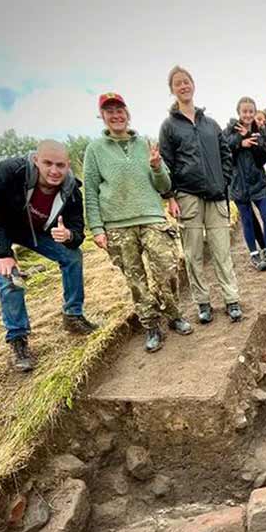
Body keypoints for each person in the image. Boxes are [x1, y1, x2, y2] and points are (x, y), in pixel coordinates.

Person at [0, 140, 97, 372]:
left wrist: (68, 235)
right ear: (36, 160)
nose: (54, 171)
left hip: (27, 228)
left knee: (72, 256)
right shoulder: (8, 171)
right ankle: (18, 340)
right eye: (48, 163)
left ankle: (73, 316)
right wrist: (3, 253)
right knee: (10, 279)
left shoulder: (71, 189)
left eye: (60, 165)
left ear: (68, 165)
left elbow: (78, 232)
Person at [84, 92, 192, 353]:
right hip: (117, 226)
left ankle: (174, 315)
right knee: (136, 280)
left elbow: (164, 185)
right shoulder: (94, 150)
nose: (116, 115)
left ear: (127, 113)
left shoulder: (145, 144)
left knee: (167, 271)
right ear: (103, 116)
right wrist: (97, 229)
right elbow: (90, 191)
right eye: (109, 111)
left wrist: (156, 166)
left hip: (152, 218)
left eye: (119, 109)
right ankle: (151, 325)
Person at [158, 65, 243, 323]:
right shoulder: (169, 127)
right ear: (172, 90)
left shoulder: (211, 124)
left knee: (221, 252)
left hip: (216, 196)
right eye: (178, 83)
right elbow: (166, 163)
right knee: (194, 255)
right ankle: (203, 303)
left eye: (186, 81)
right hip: (188, 197)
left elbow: (226, 155)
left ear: (193, 85)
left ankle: (232, 300)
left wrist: (224, 181)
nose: (183, 86)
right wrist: (171, 195)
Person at [224, 96, 266, 271]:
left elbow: (265, 155)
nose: (248, 115)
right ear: (239, 112)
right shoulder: (228, 130)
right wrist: (240, 143)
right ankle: (254, 255)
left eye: (251, 111)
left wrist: (250, 138)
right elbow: (224, 150)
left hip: (258, 183)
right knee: (248, 220)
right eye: (245, 111)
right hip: (239, 185)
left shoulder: (258, 131)